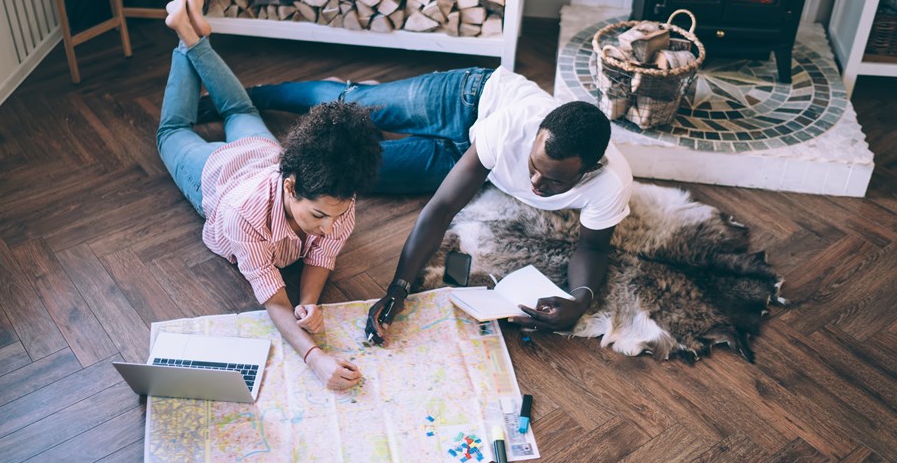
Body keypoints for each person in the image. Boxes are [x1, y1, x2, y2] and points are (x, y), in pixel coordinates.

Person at [247, 67, 634, 340]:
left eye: (554, 181)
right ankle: (249, 97)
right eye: (534, 167)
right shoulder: (512, 125)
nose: (536, 183)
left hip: (465, 160)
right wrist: (399, 286)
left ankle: (385, 121)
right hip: (469, 98)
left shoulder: (610, 182)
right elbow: (441, 209)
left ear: (589, 171)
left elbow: (594, 245)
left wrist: (580, 300)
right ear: (534, 137)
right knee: (353, 104)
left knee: (352, 175)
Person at [156, 0, 381, 390]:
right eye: (318, 216)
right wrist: (313, 356)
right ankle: (184, 37)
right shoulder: (244, 215)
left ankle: (196, 37)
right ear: (291, 186)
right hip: (218, 176)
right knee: (172, 131)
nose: (329, 228)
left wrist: (310, 300)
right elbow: (273, 296)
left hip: (263, 151)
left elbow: (323, 254)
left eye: (337, 216)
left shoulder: (338, 196)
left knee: (242, 111)